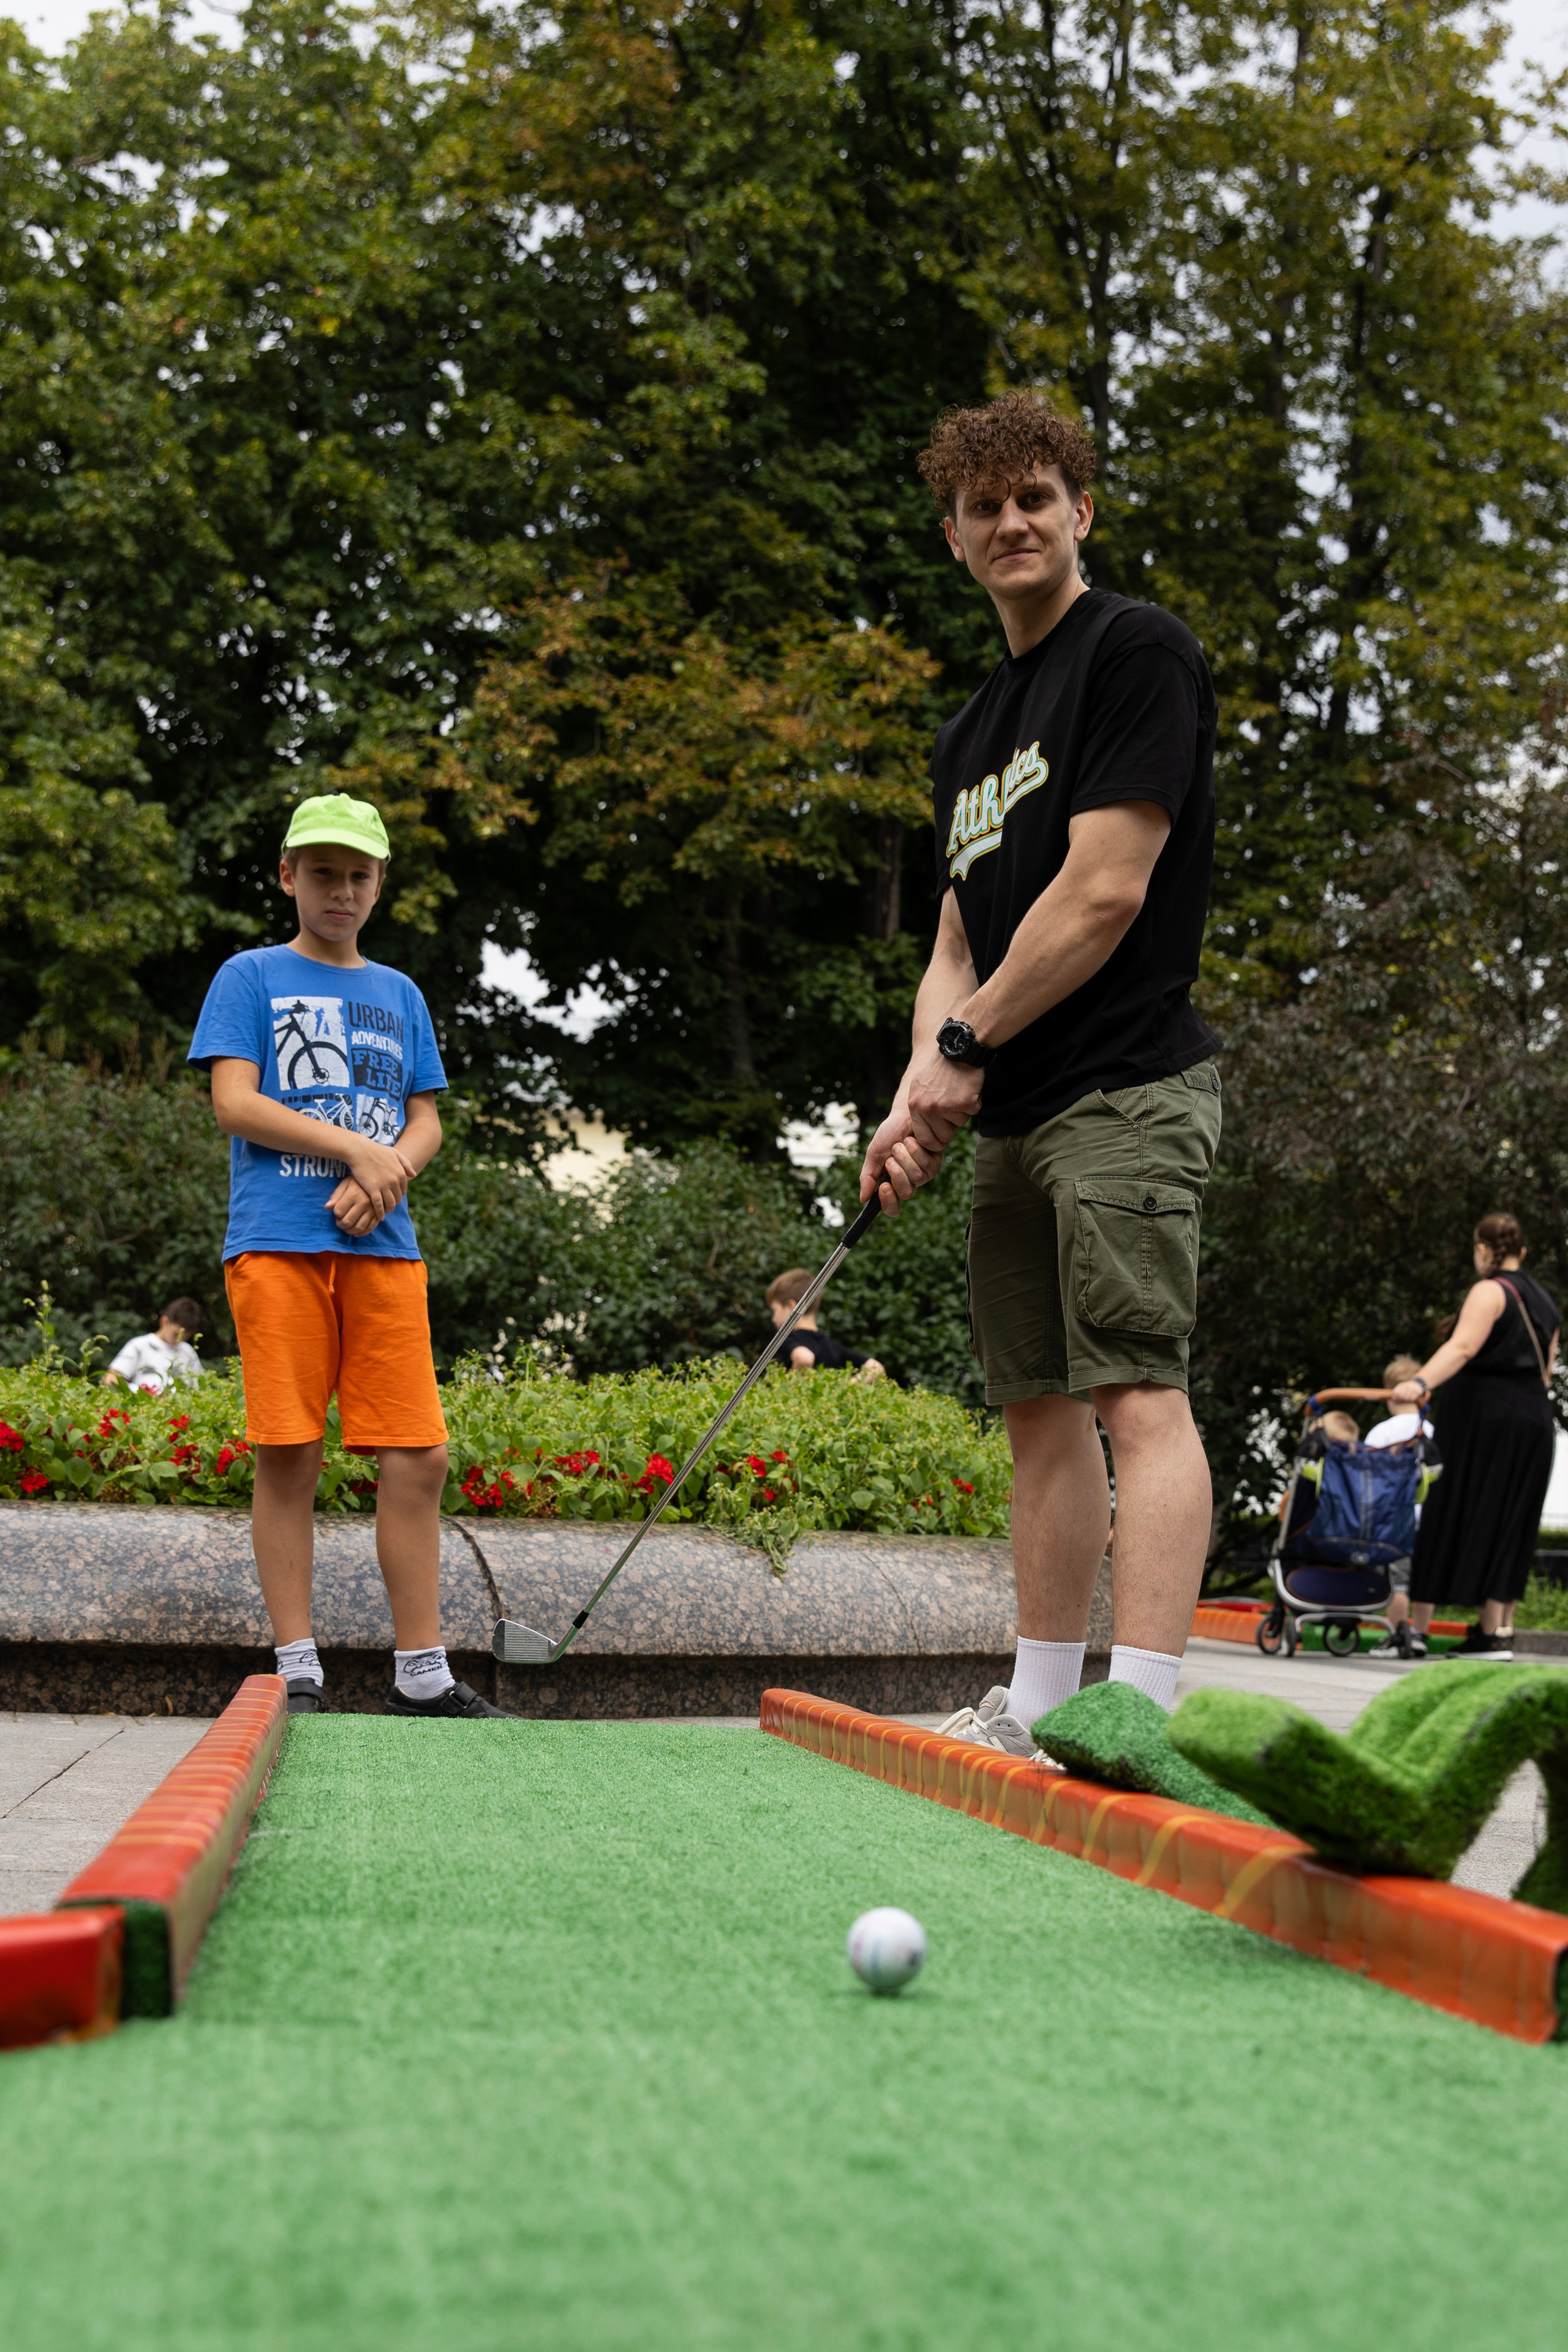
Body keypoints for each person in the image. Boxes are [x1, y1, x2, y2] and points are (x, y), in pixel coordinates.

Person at [860, 391, 1223, 1753]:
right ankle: (1035, 1707)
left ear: (1081, 510)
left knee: (1136, 1392)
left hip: (1123, 1085)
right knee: (1034, 1411)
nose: (1010, 521)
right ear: (952, 539)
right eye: (981, 506)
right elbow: (957, 935)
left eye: (1034, 496)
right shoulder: (966, 737)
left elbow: (1103, 890)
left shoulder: (1134, 653)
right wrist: (917, 1088)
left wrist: (963, 1049)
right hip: (1011, 1109)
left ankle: (1138, 1708)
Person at [189, 791, 503, 1719]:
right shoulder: (249, 976)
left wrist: (388, 1169)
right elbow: (235, 1104)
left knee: (419, 1455)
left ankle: (422, 1672)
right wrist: (355, 1152)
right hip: (279, 1244)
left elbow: (426, 1119)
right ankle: (297, 1666)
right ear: (289, 877)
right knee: (290, 1450)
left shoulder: (399, 993)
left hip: (384, 1249)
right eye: (322, 871)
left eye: (358, 874)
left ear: (379, 887)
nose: (341, 889)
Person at [1387, 1214, 1559, 1662]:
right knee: (1511, 1521)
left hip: (1489, 1421)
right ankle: (1495, 1632)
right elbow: (1544, 1370)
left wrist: (1421, 1382)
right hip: (1534, 1421)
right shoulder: (1546, 1303)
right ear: (1522, 1250)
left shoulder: (1490, 1290)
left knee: (1472, 1511)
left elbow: (1463, 1347)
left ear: (1484, 1249)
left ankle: (1484, 1636)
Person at [1365, 1355, 1438, 1660]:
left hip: (1395, 1521)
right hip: (1431, 1520)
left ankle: (1398, 1637)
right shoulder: (1435, 1431)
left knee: (1398, 1582)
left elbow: (1366, 1476)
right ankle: (1419, 1635)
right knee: (1425, 1581)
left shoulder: (1382, 1432)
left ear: (1390, 1394)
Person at [765, 1270, 885, 1381]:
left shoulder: (787, 1339)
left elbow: (805, 1358)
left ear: (791, 1306)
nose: (773, 1319)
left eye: (774, 1310)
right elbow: (876, 1368)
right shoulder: (832, 1346)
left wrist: (792, 1390)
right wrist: (846, 1389)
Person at [102, 1298, 205, 1394]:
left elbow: (199, 1390)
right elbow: (111, 1379)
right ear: (164, 1322)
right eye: (177, 1334)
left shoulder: (188, 1351)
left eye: (185, 1337)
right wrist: (145, 1394)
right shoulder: (140, 1345)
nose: (179, 1340)